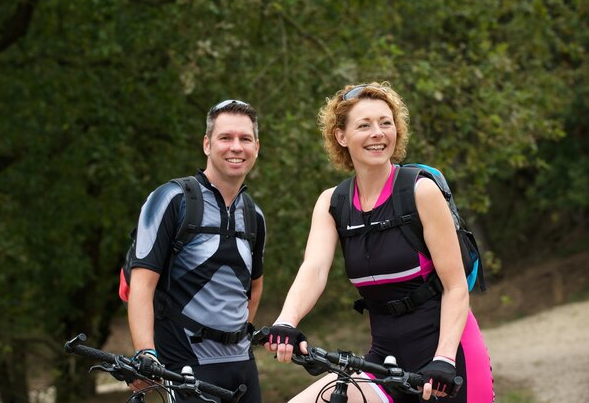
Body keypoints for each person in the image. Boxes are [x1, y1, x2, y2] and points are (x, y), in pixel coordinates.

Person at [264, 82, 494, 402]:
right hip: (384, 362)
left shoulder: (420, 192)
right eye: (364, 125)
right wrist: (286, 321)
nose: (378, 132)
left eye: (386, 123)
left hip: (448, 357)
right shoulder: (333, 203)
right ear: (341, 136)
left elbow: (455, 286)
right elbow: (314, 269)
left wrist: (443, 358)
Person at [127, 99, 266, 402]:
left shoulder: (253, 215)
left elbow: (253, 288)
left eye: (245, 139)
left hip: (242, 364)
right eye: (225, 138)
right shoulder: (172, 199)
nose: (236, 147)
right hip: (185, 364)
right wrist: (146, 353)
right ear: (207, 144)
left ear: (256, 147)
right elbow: (142, 284)